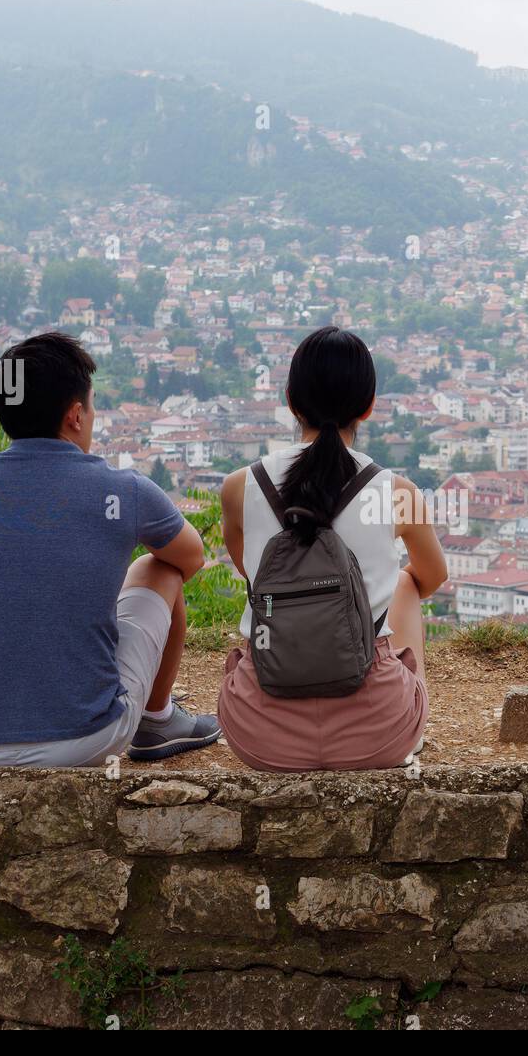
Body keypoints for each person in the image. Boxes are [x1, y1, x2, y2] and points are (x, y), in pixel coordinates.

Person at [0, 331, 221, 767]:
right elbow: (191, 558)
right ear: (76, 416)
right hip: (86, 736)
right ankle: (157, 721)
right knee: (161, 568)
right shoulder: (124, 490)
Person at [219, 326, 447, 771]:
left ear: (290, 400)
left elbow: (252, 573)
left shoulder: (239, 488)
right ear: (368, 407)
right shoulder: (395, 492)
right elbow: (432, 577)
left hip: (260, 735)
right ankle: (408, 725)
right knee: (404, 580)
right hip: (380, 733)